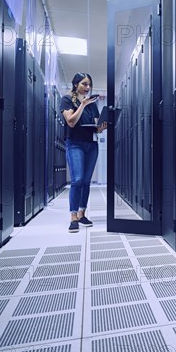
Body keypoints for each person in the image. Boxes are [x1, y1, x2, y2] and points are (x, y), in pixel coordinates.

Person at [60, 72, 107, 233]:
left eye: (89, 84)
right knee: (77, 180)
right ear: (76, 85)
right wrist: (82, 105)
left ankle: (82, 214)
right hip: (74, 144)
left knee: (86, 181)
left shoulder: (93, 104)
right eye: (84, 84)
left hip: (90, 144)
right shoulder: (67, 100)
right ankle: (73, 217)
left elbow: (97, 127)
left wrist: (102, 126)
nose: (87, 87)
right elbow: (71, 122)